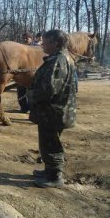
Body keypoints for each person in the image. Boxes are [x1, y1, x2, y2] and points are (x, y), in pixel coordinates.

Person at [28, 30, 77, 188]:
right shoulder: (63, 57)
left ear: (55, 43)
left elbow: (48, 89)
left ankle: (55, 177)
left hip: (53, 111)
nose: (42, 44)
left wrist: (31, 94)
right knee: (49, 141)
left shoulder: (58, 60)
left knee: (51, 143)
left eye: (45, 41)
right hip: (57, 110)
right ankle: (49, 170)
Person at [17, 32, 33, 112]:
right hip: (21, 73)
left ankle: (31, 107)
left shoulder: (35, 48)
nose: (25, 40)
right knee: (21, 91)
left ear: (31, 38)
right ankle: (23, 107)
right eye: (24, 38)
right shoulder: (20, 48)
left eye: (27, 38)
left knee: (31, 92)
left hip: (31, 74)